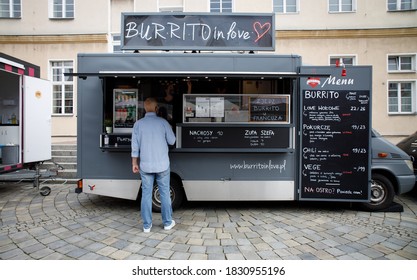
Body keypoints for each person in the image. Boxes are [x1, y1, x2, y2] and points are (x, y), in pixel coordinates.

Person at [131, 97, 176, 233]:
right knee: (164, 194)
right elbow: (172, 141)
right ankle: (167, 223)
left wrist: (134, 163)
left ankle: (147, 226)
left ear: (144, 108)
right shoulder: (163, 123)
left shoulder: (138, 124)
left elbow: (135, 146)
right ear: (157, 109)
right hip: (162, 164)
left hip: (145, 165)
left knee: (146, 194)